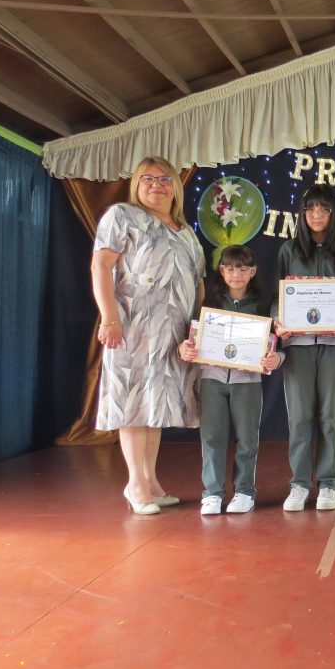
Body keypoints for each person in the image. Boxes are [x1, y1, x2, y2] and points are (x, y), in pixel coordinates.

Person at [91, 156, 205, 515]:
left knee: (156, 406)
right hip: (133, 327)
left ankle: (151, 480)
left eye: (165, 179)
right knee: (133, 403)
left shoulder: (186, 232)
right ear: (136, 185)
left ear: (176, 187)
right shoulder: (122, 216)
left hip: (173, 333)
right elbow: (101, 265)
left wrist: (198, 330)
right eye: (148, 179)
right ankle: (135, 484)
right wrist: (109, 317)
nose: (157, 185)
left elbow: (198, 284)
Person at [273, 184, 335, 512]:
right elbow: (278, 297)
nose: (317, 214)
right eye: (311, 208)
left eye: (324, 208)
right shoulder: (288, 251)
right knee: (299, 416)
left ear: (334, 213)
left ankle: (328, 483)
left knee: (329, 416)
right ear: (303, 213)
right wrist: (278, 320)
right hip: (297, 343)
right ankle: (298, 483)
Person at [179, 245, 282, 515]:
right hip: (212, 379)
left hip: (247, 382)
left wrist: (276, 358)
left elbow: (277, 344)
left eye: (243, 269)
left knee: (247, 440)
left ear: (253, 272)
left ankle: (244, 492)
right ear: (222, 271)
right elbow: (191, 337)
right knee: (212, 438)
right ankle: (212, 493)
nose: (236, 274)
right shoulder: (208, 303)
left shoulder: (264, 305)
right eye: (230, 268)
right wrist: (184, 348)